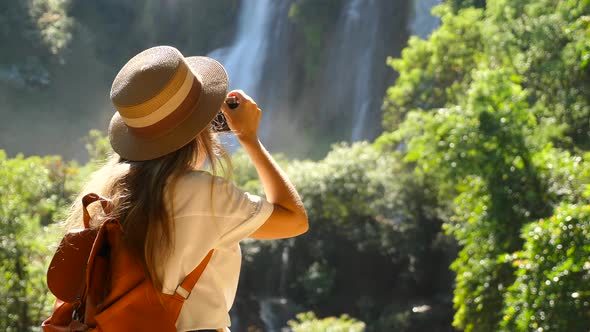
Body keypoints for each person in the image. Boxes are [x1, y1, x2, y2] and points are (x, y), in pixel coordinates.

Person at [64, 46, 308, 331]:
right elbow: (294, 219)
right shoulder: (207, 196)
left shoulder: (106, 188)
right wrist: (249, 138)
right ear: (198, 130)